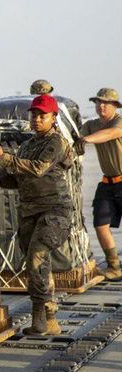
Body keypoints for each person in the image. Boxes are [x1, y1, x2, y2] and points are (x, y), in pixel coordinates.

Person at [0, 94, 75, 335]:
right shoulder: (28, 145)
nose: (37, 119)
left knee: (37, 257)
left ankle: (40, 318)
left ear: (53, 118)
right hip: (29, 212)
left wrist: (5, 158)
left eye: (43, 115)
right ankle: (49, 316)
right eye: (34, 115)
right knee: (36, 264)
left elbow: (38, 169)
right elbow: (15, 181)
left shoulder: (56, 142)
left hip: (55, 211)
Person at [76, 88, 122, 281]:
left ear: (114, 106)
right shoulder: (91, 125)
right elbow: (75, 136)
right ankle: (114, 266)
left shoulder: (118, 122)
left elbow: (111, 134)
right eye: (97, 102)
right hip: (107, 182)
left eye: (105, 103)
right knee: (100, 223)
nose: (101, 106)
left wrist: (86, 140)